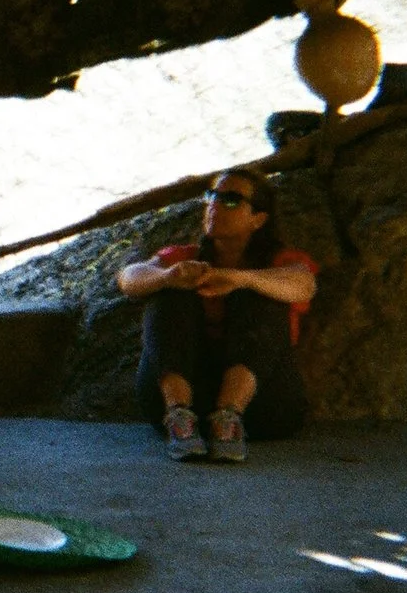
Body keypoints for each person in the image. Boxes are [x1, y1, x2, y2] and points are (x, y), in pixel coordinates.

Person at [115, 169, 318, 464]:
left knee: (260, 292)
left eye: (231, 200)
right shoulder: (188, 257)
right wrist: (168, 276)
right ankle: (179, 417)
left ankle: (228, 418)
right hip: (180, 402)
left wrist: (240, 278)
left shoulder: (281, 262)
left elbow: (303, 285)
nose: (214, 205)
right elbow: (129, 277)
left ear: (258, 219)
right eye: (211, 196)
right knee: (168, 290)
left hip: (261, 408)